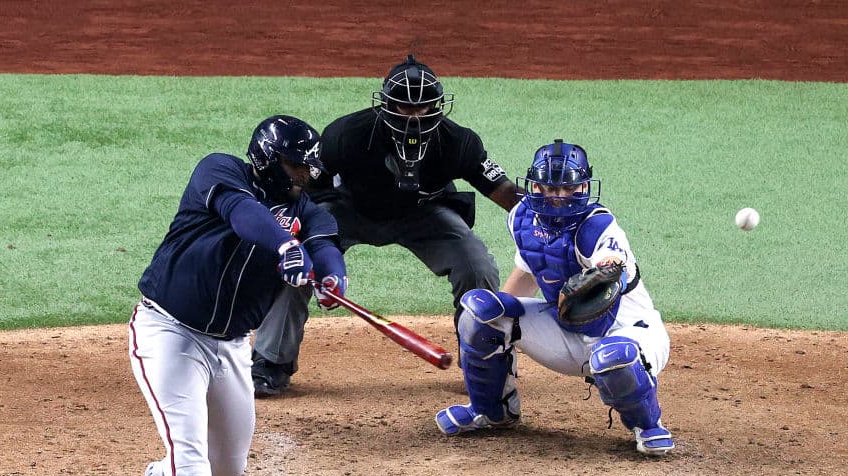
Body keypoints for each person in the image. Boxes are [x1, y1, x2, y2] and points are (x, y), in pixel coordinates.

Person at [129, 115, 346, 476]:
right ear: (269, 161)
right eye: (295, 167)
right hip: (169, 331)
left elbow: (326, 244)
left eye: (308, 168)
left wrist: (332, 277)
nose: (304, 176)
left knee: (225, 464)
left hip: (230, 345)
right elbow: (244, 216)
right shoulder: (220, 171)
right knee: (189, 445)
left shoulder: (308, 209)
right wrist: (284, 244)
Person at [251, 54, 519, 397]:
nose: (414, 116)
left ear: (438, 107)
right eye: (404, 107)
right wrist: (294, 236)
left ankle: (482, 362)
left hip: (424, 213)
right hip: (348, 209)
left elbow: (507, 195)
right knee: (299, 263)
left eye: (423, 107)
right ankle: (271, 362)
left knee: (476, 263)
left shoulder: (459, 142)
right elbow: (307, 185)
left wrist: (555, 207)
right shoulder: (346, 135)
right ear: (386, 105)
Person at [434, 139, 675, 455]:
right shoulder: (522, 219)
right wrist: (490, 334)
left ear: (584, 186)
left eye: (567, 189)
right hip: (564, 333)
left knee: (613, 358)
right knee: (480, 311)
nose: (558, 197)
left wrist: (601, 270)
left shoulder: (597, 226)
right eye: (550, 188)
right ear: (535, 186)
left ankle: (648, 425)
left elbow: (612, 263)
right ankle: (491, 411)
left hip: (628, 333)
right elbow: (528, 273)